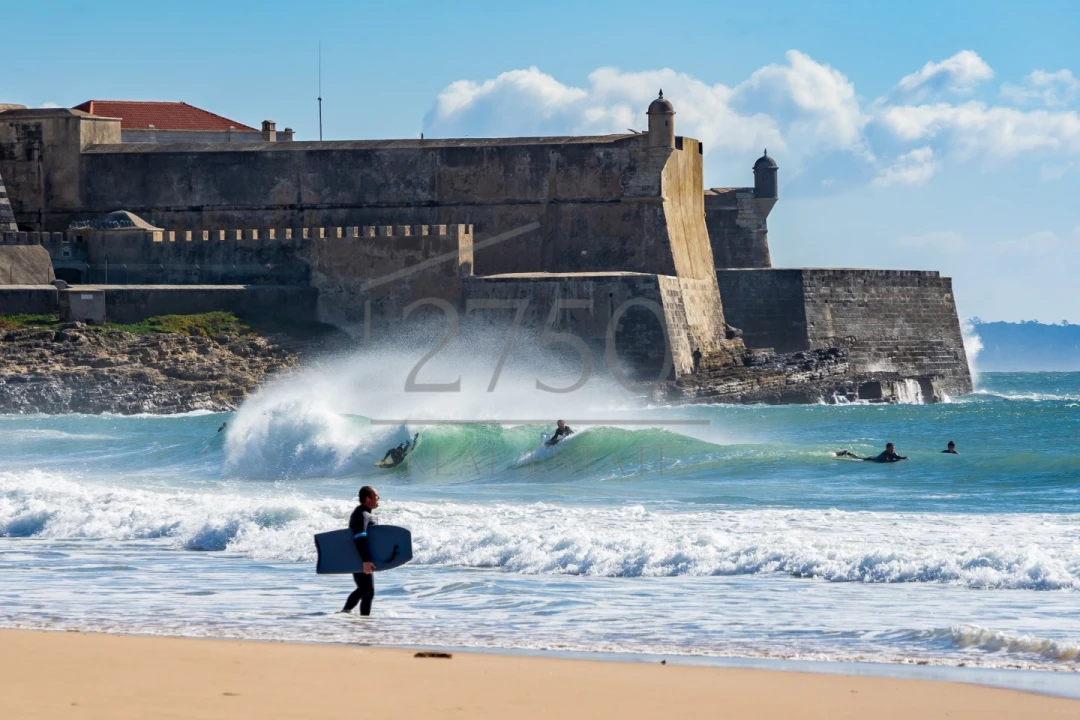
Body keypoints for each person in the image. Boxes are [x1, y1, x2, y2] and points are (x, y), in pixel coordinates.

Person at [341, 486, 379, 615]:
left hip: (360, 556)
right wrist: (366, 560)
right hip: (360, 557)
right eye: (376, 496)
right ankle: (364, 623)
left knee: (364, 589)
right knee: (367, 591)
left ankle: (345, 613)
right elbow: (359, 536)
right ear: (368, 498)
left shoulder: (366, 513)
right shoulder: (361, 513)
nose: (378, 499)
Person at [835, 442, 908, 462]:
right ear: (887, 448)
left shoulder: (893, 453)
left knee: (859, 457)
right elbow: (886, 462)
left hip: (874, 457)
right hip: (872, 459)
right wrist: (898, 460)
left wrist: (904, 458)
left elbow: (898, 457)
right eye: (891, 449)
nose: (893, 450)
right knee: (859, 459)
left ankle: (846, 452)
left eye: (893, 449)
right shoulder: (884, 455)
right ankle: (846, 452)